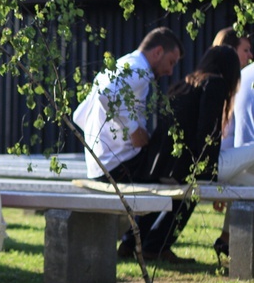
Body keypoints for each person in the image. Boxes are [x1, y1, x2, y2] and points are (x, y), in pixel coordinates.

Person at [73, 27, 187, 262]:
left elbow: (78, 115)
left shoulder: (120, 65)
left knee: (166, 177)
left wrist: (105, 141)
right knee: (183, 183)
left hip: (102, 164)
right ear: (157, 52)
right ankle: (153, 246)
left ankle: (131, 243)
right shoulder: (138, 69)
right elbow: (106, 94)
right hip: (117, 165)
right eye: (171, 61)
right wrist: (132, 129)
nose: (170, 70)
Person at [138, 46, 241, 262]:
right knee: (188, 197)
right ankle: (156, 246)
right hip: (184, 164)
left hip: (164, 162)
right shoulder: (214, 83)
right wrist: (207, 173)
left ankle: (133, 242)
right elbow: (208, 129)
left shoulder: (186, 83)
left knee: (171, 200)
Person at [208, 27, 252, 257]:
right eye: (245, 50)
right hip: (220, 162)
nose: (249, 56)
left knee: (248, 180)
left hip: (223, 162)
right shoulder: (229, 84)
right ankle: (229, 241)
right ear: (231, 51)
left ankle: (226, 240)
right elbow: (227, 136)